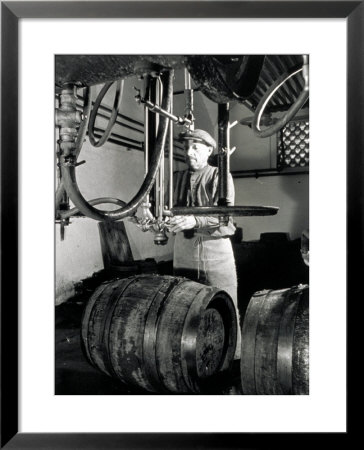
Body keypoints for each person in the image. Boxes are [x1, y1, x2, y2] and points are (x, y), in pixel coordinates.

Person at [168, 129, 241, 360]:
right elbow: (166, 209)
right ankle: (192, 358)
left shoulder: (220, 175)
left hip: (215, 249)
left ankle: (232, 358)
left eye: (195, 147)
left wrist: (194, 220)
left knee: (225, 303)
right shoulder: (177, 178)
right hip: (184, 249)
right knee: (185, 305)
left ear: (209, 151)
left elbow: (225, 216)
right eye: (186, 147)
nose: (189, 152)